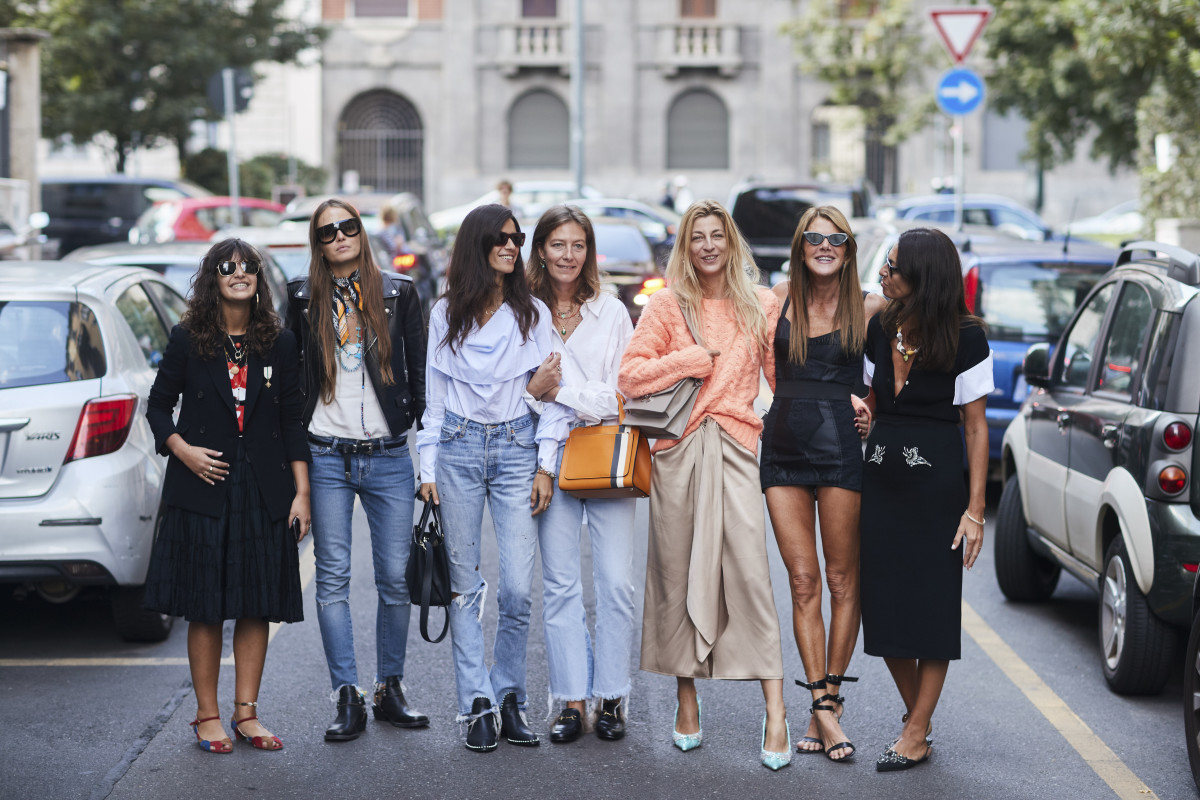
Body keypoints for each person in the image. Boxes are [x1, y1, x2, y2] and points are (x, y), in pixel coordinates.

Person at [618, 199, 790, 770]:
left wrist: (847, 401)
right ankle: (685, 700)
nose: (710, 246)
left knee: (750, 576)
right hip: (677, 454)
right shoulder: (666, 306)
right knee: (675, 573)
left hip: (738, 448)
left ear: (731, 242)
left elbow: (781, 381)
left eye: (718, 236)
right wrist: (690, 358)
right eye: (699, 237)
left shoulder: (760, 305)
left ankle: (777, 709)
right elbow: (630, 375)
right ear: (686, 247)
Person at [144, 238, 310, 754]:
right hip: (203, 488)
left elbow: (291, 422)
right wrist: (182, 450)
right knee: (206, 606)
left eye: (249, 268)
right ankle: (207, 715)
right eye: (228, 267)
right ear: (213, 278)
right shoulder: (188, 338)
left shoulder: (278, 343)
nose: (239, 274)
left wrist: (302, 492)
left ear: (259, 279)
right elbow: (156, 408)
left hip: (263, 489)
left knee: (256, 603)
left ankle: (246, 715)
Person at [417, 203, 572, 753]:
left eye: (517, 238)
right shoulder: (444, 315)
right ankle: (476, 703)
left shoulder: (530, 314)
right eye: (501, 238)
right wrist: (426, 468)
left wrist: (546, 465)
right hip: (457, 449)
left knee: (515, 589)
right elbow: (434, 403)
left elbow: (553, 399)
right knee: (463, 589)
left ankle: (511, 698)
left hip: (515, 451)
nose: (512, 246)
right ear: (477, 245)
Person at [285, 198, 429, 743]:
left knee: (395, 580)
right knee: (332, 580)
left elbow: (419, 370)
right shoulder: (302, 298)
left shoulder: (398, 293)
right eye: (327, 232)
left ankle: (389, 688)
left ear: (362, 233)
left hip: (388, 457)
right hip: (326, 455)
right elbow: (290, 378)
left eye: (348, 227)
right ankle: (346, 696)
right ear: (318, 244)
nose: (339, 237)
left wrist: (414, 422)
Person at [857, 227, 991, 772]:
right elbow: (869, 399)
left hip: (937, 490)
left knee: (932, 610)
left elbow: (977, 429)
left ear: (922, 277)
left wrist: (975, 510)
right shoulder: (878, 327)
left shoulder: (967, 338)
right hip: (880, 483)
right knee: (884, 608)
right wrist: (862, 414)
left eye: (892, 268)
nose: (883, 275)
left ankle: (914, 731)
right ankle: (919, 716)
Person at [761, 206, 885, 762]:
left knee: (840, 577)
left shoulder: (872, 308)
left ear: (850, 248)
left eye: (836, 238)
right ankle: (822, 702)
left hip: (840, 449)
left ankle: (827, 704)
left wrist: (873, 411)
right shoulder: (778, 297)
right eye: (815, 237)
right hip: (782, 447)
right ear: (800, 244)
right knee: (804, 580)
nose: (825, 245)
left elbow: (899, 378)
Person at [524, 205, 637, 743]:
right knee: (561, 587)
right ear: (540, 250)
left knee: (615, 585)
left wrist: (558, 391)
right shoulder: (522, 313)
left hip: (608, 461)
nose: (568, 256)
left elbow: (620, 396)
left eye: (578, 245)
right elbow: (519, 398)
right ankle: (571, 700)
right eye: (558, 245)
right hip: (548, 466)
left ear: (588, 252)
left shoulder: (612, 313)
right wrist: (544, 399)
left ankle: (612, 697)